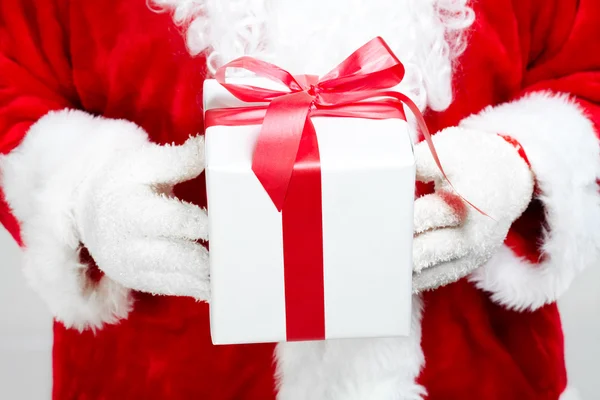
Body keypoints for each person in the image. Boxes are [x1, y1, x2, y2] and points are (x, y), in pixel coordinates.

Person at [0, 0, 598, 398]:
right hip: (159, 374)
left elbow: (585, 62)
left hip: (479, 371)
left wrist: (522, 163)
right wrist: (79, 190)